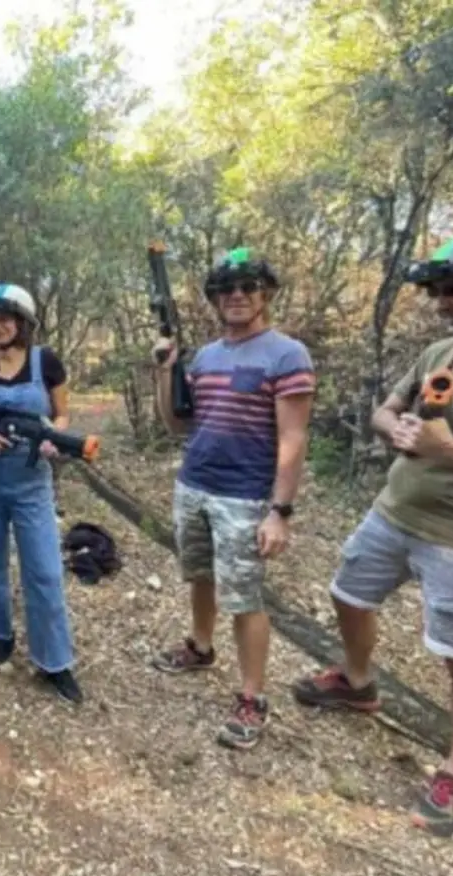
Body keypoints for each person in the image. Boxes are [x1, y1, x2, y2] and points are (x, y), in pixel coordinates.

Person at [291, 232, 453, 837]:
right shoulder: (444, 350)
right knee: (348, 595)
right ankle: (357, 683)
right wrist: (394, 428)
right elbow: (386, 408)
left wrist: (449, 446)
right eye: (436, 291)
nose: (441, 302)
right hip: (395, 511)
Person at [151, 247, 316, 750]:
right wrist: (164, 372)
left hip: (244, 496)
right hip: (195, 484)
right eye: (227, 290)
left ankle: (252, 695)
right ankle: (201, 646)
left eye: (247, 287)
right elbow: (178, 425)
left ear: (265, 293)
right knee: (199, 575)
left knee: (244, 596)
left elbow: (293, 439)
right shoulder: (206, 356)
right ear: (216, 300)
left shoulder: (286, 355)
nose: (238, 296)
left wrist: (279, 511)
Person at [0, 283, 83, 704]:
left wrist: (53, 436)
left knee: (44, 569)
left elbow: (62, 413)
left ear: (24, 324)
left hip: (31, 482)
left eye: (6, 318)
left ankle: (54, 660)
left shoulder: (44, 361)